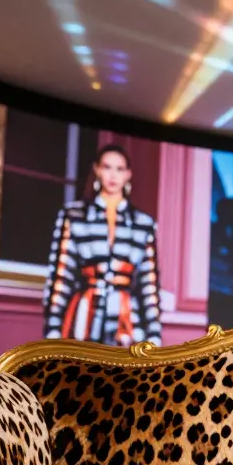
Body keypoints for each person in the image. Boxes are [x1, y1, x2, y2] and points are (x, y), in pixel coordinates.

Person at [43, 144, 162, 347]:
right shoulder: (74, 216)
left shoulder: (143, 224)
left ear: (128, 175)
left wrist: (154, 337)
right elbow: (61, 276)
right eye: (107, 167)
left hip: (128, 325)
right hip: (83, 321)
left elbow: (149, 286)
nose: (113, 175)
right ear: (97, 170)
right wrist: (52, 330)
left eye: (119, 169)